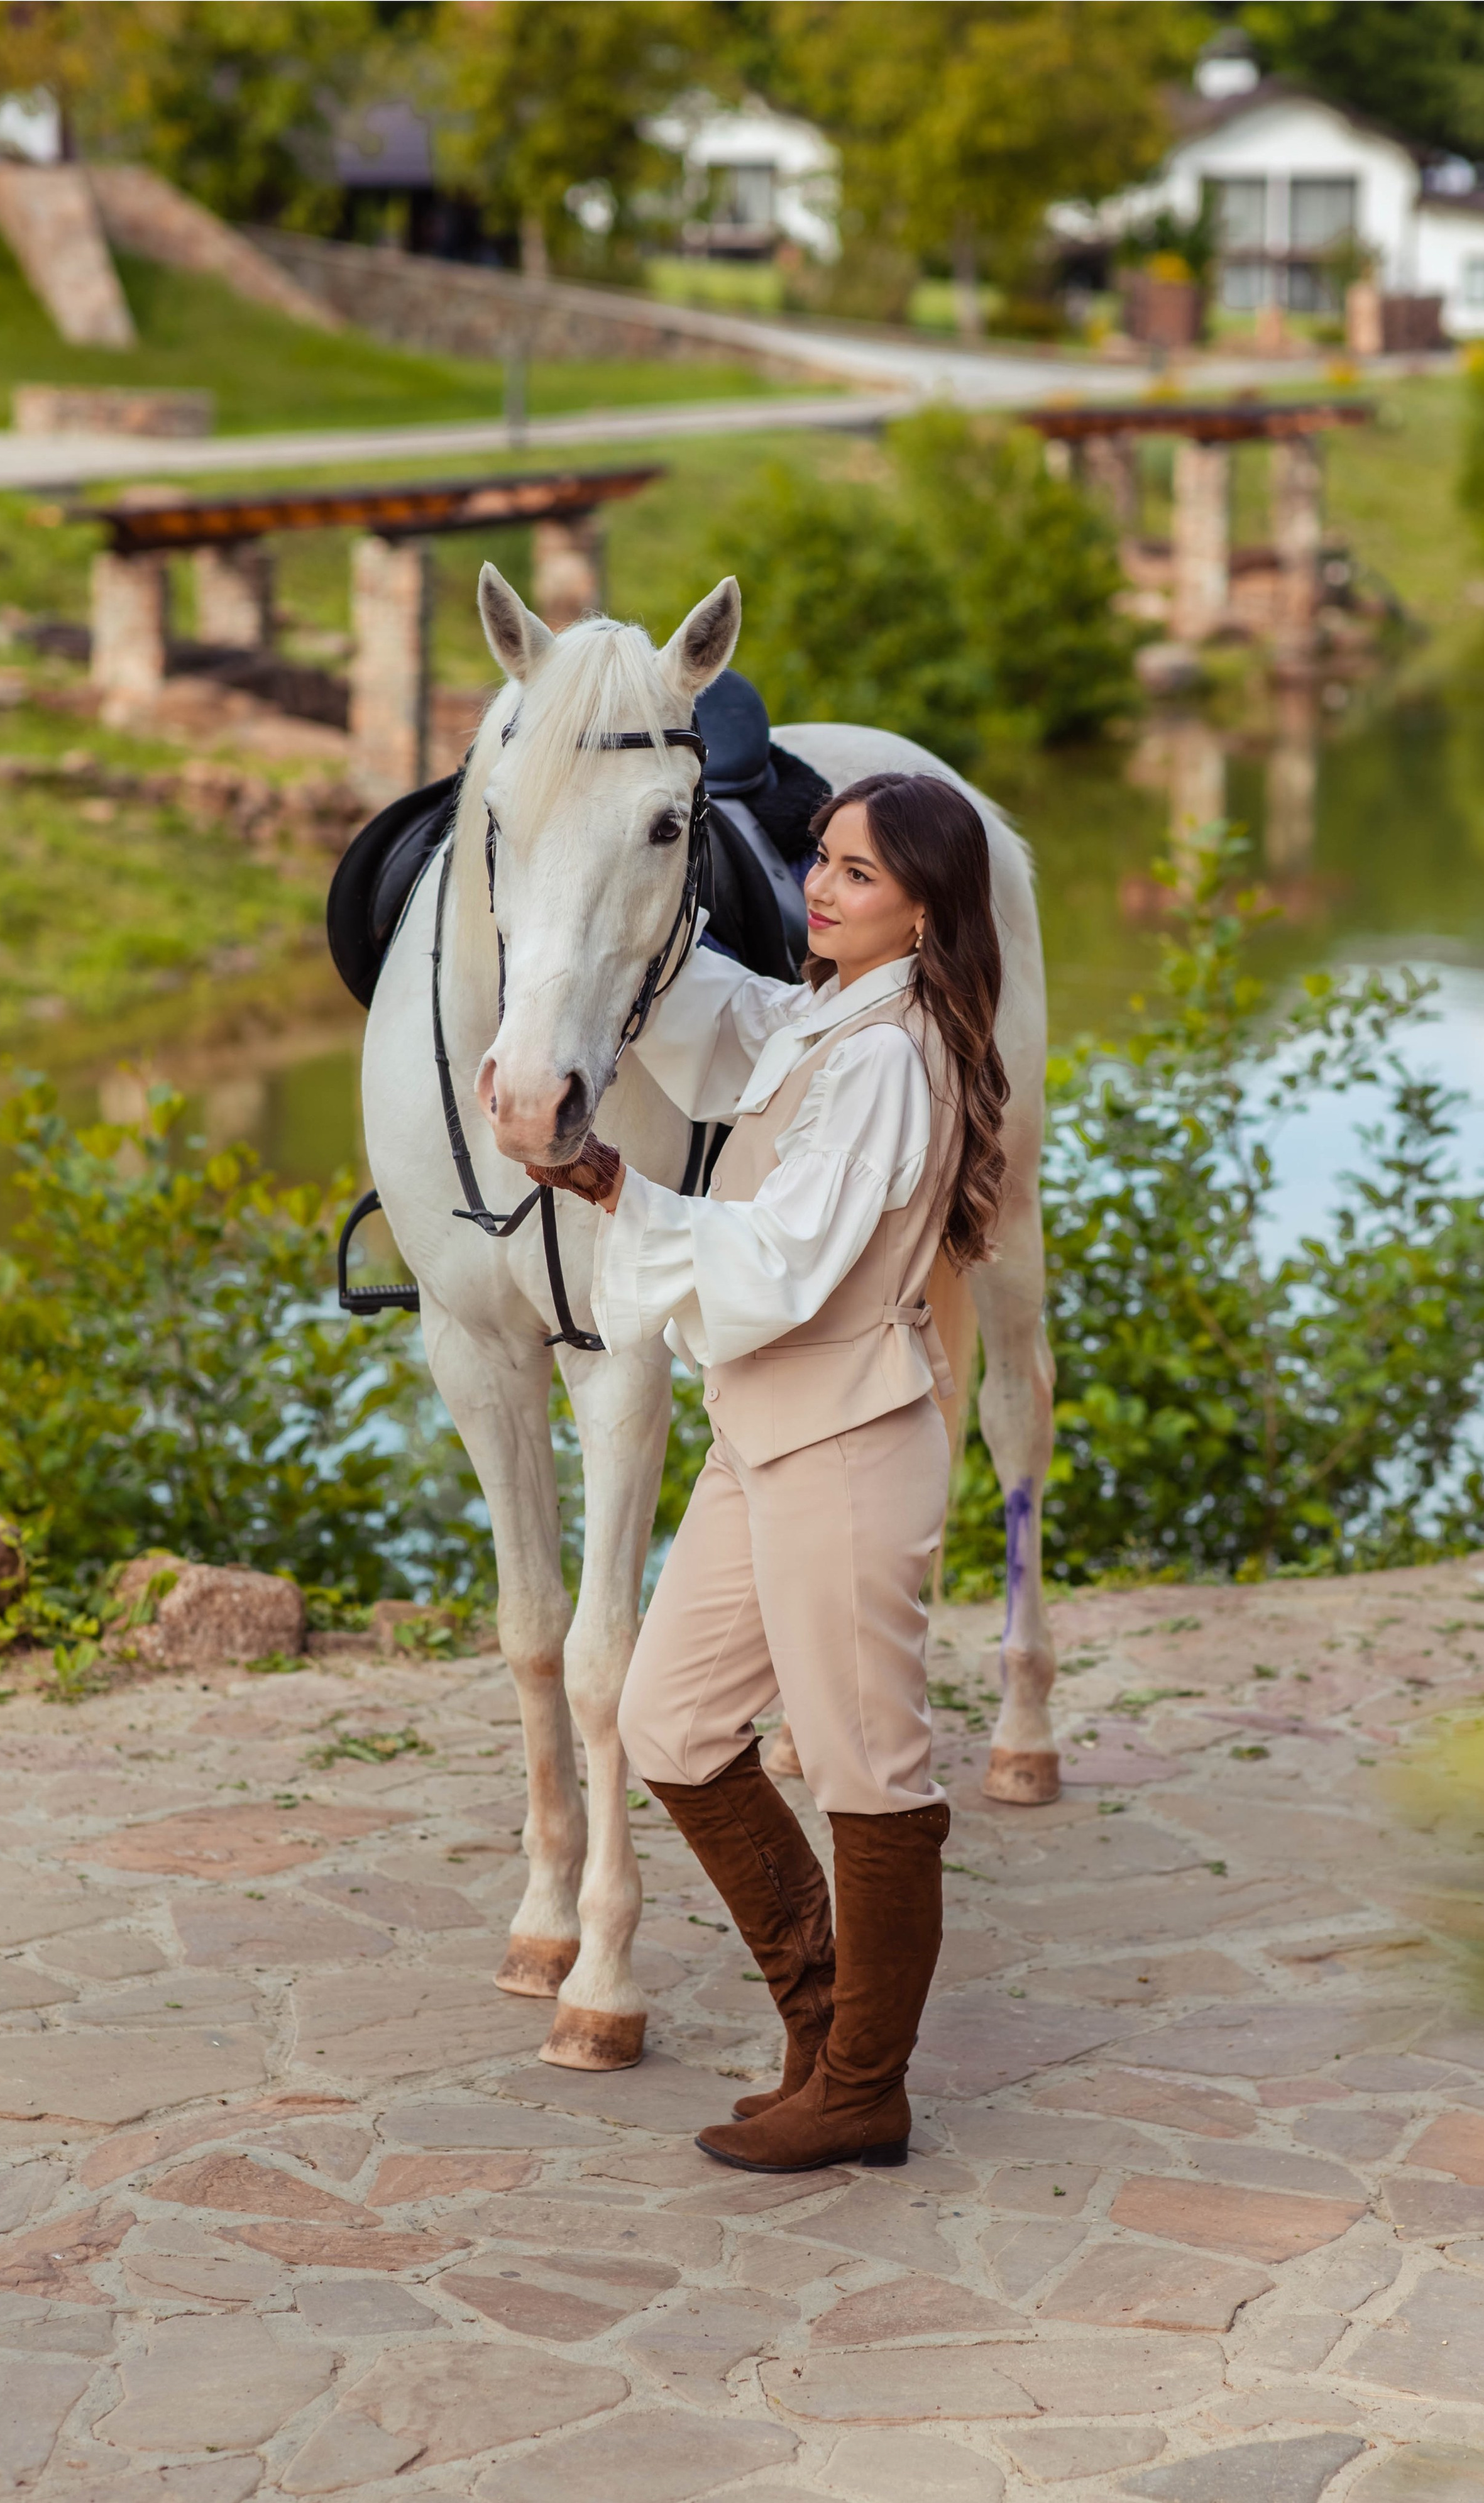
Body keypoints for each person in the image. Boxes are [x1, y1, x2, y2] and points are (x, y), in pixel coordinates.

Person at [529, 771, 1010, 2173]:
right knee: (672, 1722)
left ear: (925, 909)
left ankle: (865, 2085)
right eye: (821, 857)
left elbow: (785, 1265)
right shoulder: (824, 1011)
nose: (820, 884)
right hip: (761, 1437)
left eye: (858, 873)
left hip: (846, 1445)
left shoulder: (884, 1053)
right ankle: (818, 2026)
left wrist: (613, 1181)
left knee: (870, 1770)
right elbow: (715, 1013)